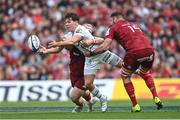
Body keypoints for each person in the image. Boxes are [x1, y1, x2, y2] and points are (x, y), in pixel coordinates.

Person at [88, 12, 163, 112]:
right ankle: (156, 97)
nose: (110, 23)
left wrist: (92, 52)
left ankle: (135, 105)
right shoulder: (134, 25)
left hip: (134, 52)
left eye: (111, 20)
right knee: (145, 73)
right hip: (149, 50)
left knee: (125, 76)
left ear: (115, 18)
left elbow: (105, 46)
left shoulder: (113, 27)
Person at [48, 13, 123, 112]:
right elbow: (67, 47)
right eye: (65, 22)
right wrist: (47, 49)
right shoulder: (69, 35)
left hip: (95, 55)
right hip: (83, 62)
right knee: (87, 85)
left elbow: (100, 40)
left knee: (123, 65)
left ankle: (141, 72)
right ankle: (96, 99)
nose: (66, 24)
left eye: (69, 22)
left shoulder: (81, 32)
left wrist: (91, 41)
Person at [38, 38, 96, 113]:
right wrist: (47, 50)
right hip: (73, 72)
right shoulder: (73, 41)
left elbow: (100, 42)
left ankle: (80, 105)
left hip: (83, 74)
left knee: (74, 97)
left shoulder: (87, 45)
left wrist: (58, 43)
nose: (66, 47)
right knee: (82, 92)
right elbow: (58, 49)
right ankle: (91, 101)